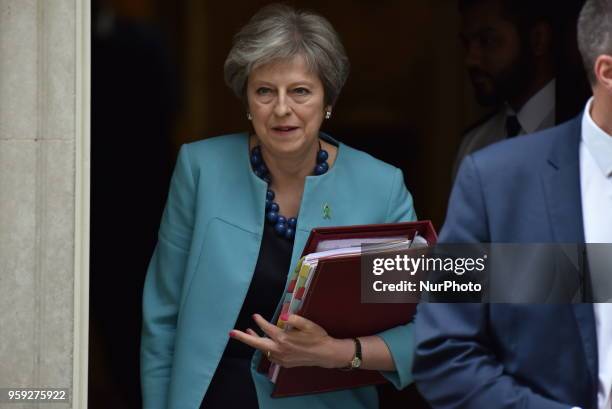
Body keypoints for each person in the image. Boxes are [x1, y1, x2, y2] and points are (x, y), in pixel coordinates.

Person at [140, 4, 417, 409]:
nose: (282, 108)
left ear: (328, 99)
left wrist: (338, 352)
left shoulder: (380, 188)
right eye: (265, 91)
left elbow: (427, 326)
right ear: (247, 100)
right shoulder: (200, 170)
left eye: (300, 91)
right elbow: (162, 319)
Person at [413, 0, 612, 408]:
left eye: (487, 40)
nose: (472, 57)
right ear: (607, 73)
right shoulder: (489, 175)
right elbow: (445, 350)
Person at [453, 0, 561, 176]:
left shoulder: (585, 133)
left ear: (538, 39)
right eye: (466, 44)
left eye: (486, 41)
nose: (470, 59)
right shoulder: (473, 144)